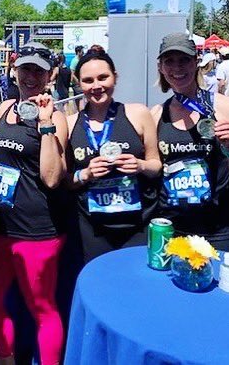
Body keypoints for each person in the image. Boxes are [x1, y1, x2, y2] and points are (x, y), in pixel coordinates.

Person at [0, 41, 68, 365]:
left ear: (49, 75)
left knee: (42, 309)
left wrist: (46, 125)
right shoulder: (6, 108)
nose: (30, 76)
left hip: (38, 232)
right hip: (1, 225)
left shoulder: (56, 116)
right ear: (15, 71)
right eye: (25, 68)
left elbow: (52, 177)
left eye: (38, 71)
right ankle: (6, 359)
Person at [67, 50, 161, 264]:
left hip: (138, 224)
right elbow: (64, 180)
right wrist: (85, 174)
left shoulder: (138, 113)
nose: (96, 86)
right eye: (88, 80)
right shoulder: (71, 123)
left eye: (103, 77)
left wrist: (140, 165)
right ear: (79, 83)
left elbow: (156, 165)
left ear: (115, 77)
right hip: (93, 228)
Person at [151, 32, 229, 251]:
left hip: (219, 228)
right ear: (161, 67)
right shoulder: (157, 115)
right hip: (172, 228)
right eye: (170, 61)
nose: (177, 68)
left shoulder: (222, 106)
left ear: (196, 62)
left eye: (184, 59)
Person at [70, 45, 85, 110]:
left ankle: (78, 112)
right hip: (77, 84)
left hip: (80, 82)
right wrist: (78, 82)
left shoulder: (81, 60)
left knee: (78, 99)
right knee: (80, 99)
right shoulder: (75, 61)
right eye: (82, 51)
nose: (83, 53)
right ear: (78, 52)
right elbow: (72, 74)